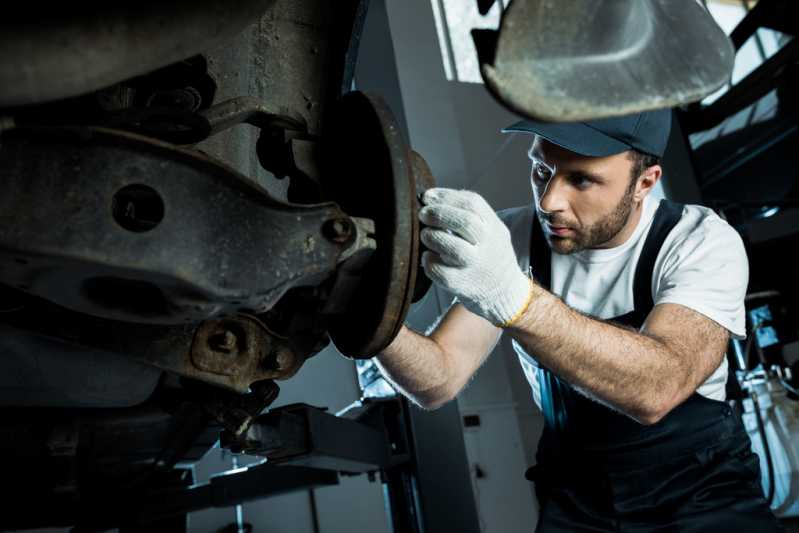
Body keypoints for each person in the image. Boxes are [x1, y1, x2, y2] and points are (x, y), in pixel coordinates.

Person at [375, 109, 782, 532]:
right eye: (541, 169)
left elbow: (659, 387)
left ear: (645, 182)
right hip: (576, 496)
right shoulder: (515, 238)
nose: (549, 201)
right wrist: (369, 320)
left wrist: (513, 297)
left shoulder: (697, 240)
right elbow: (438, 377)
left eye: (581, 180)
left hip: (698, 492)